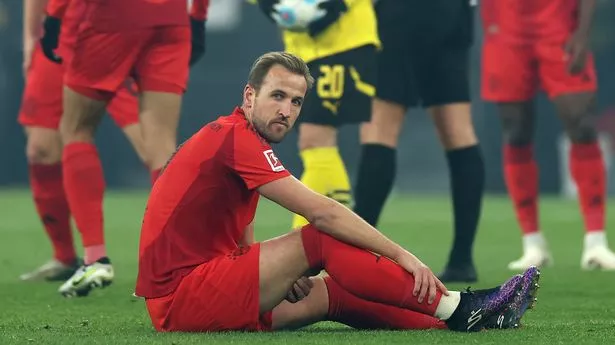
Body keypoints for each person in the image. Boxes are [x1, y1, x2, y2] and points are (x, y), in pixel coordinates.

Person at [135, 52, 541, 333]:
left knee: (335, 292)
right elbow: (323, 214)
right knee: (321, 239)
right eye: (277, 96)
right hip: (180, 300)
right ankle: (459, 307)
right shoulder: (235, 138)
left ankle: (459, 322)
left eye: (296, 101)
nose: (287, 111)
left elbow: (239, 221)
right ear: (249, 96)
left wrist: (265, 273)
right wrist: (402, 255)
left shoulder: (237, 137)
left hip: (200, 288)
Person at [37, 0, 210, 297]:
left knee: (77, 129)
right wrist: (198, 18)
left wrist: (54, 15)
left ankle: (95, 259)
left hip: (111, 16)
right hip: (171, 19)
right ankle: (168, 264)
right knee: (162, 142)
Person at [353, 0, 485, 283]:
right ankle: (462, 259)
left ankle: (355, 254)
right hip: (453, 14)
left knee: (380, 128)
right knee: (458, 130)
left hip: (399, 14)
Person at [480, 0, 615, 270]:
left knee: (582, 125)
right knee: (515, 130)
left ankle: (596, 241)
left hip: (558, 25)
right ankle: (532, 243)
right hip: (506, 28)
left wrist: (582, 33)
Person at [18, 0, 147, 282]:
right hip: (57, 37)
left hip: (114, 34)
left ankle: (200, 255)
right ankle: (66, 256)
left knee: (152, 146)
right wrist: (30, 36)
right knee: (41, 149)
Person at [256, 0, 378, 229]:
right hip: (302, 51)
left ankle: (304, 237)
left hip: (344, 43)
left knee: (315, 139)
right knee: (316, 142)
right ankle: (333, 232)